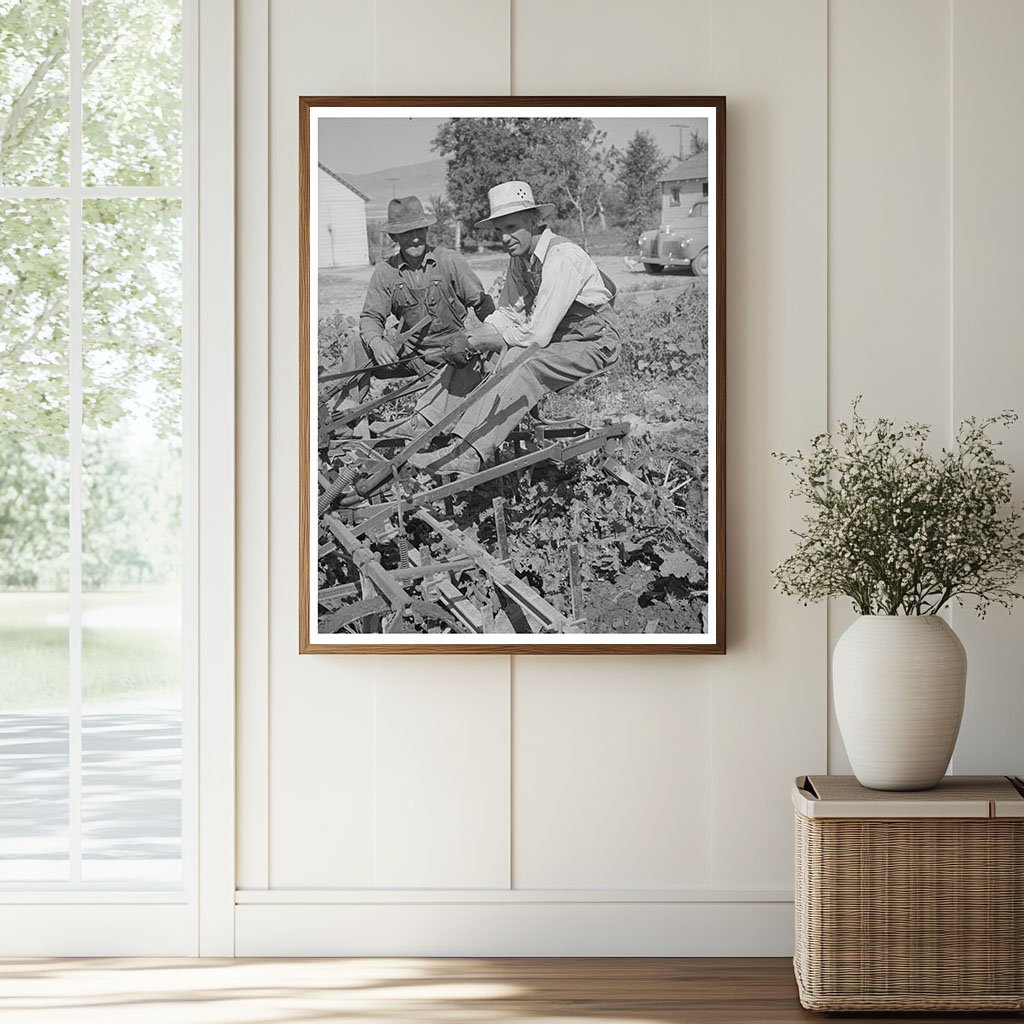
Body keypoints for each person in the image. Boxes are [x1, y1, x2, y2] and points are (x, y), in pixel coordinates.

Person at [411, 180, 621, 476]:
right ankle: (425, 423)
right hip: (561, 337)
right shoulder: (521, 260)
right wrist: (471, 338)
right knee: (480, 352)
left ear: (533, 221)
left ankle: (468, 452)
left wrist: (484, 341)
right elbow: (507, 313)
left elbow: (537, 336)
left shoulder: (562, 257)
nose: (505, 238)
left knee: (523, 363)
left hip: (594, 342)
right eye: (499, 231)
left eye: (511, 228)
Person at [330, 195, 495, 421]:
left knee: (452, 417)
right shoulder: (386, 272)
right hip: (410, 356)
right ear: (394, 236)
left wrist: (494, 346)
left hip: (452, 354)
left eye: (419, 230)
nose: (415, 238)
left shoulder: (450, 261)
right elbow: (370, 317)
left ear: (426, 230)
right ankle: (345, 421)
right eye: (407, 232)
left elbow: (484, 306)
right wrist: (377, 343)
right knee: (360, 345)